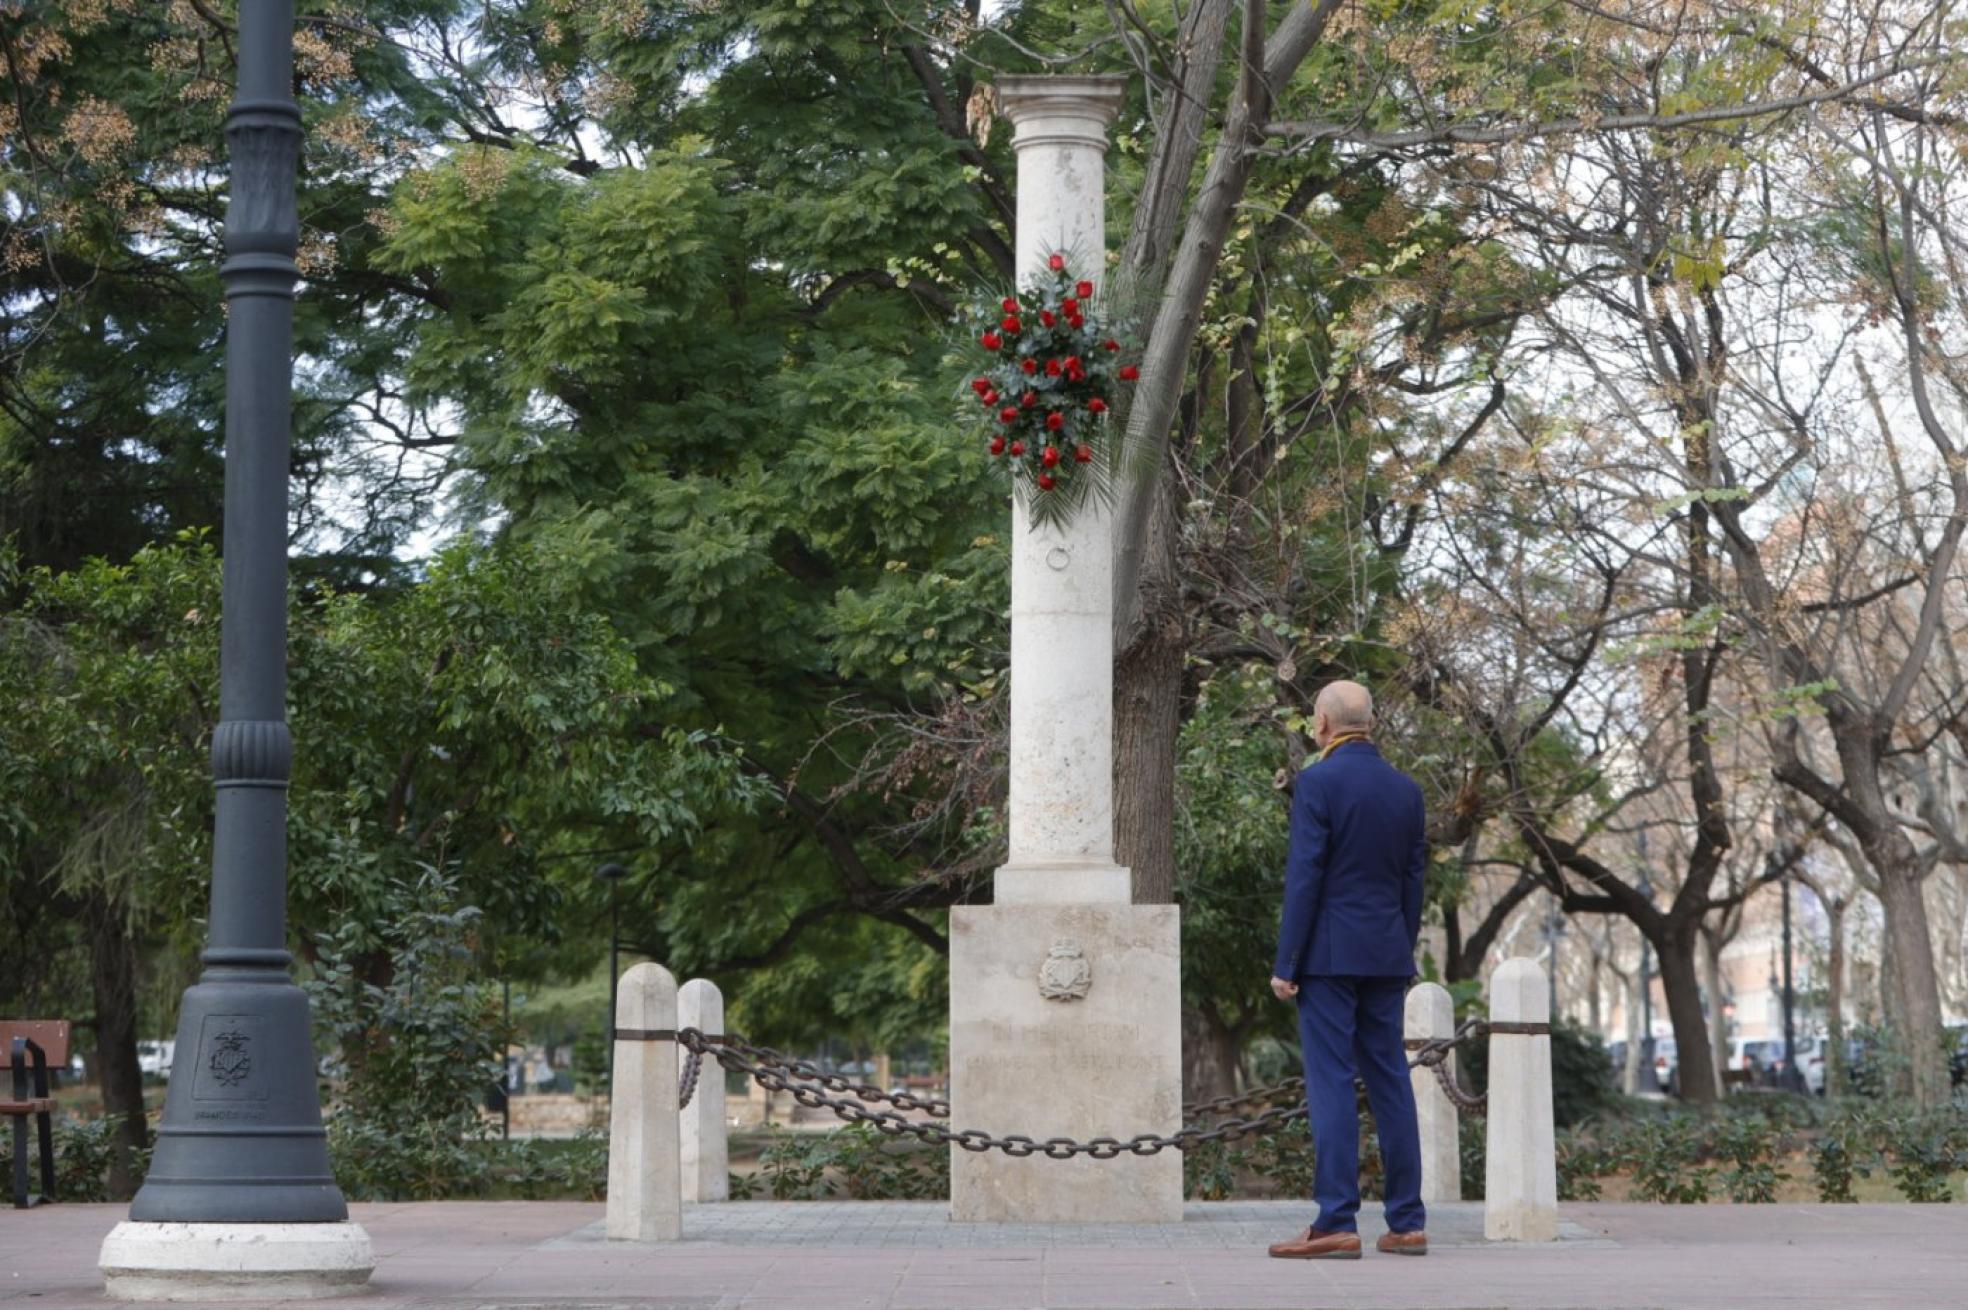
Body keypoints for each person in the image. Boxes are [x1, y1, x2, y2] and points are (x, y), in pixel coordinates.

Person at [1266, 679, 1429, 1260]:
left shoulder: (1317, 783)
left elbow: (1305, 876)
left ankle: (1336, 1220)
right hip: (1386, 954)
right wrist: (1399, 948)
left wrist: (1287, 962)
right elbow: (1413, 883)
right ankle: (1407, 1222)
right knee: (1390, 1080)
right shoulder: (1405, 790)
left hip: (1329, 959)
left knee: (1332, 1081)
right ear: (1372, 724)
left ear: (1323, 725)